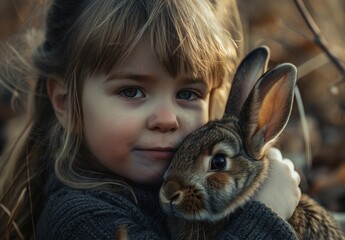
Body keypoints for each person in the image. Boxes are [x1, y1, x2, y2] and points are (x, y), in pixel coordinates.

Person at [0, 0, 301, 239]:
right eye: (131, 91)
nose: (167, 119)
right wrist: (268, 212)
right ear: (65, 103)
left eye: (187, 94)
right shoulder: (80, 219)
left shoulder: (193, 195)